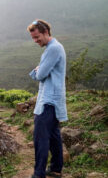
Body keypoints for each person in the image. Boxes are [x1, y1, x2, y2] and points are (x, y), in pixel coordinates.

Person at [27, 19, 68, 178]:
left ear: (46, 32)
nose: (35, 41)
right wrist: (39, 69)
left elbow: (41, 74)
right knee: (53, 136)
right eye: (33, 38)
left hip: (48, 100)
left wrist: (38, 70)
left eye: (37, 37)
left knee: (41, 139)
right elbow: (43, 72)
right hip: (53, 100)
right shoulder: (55, 47)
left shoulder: (53, 49)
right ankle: (56, 168)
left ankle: (38, 174)